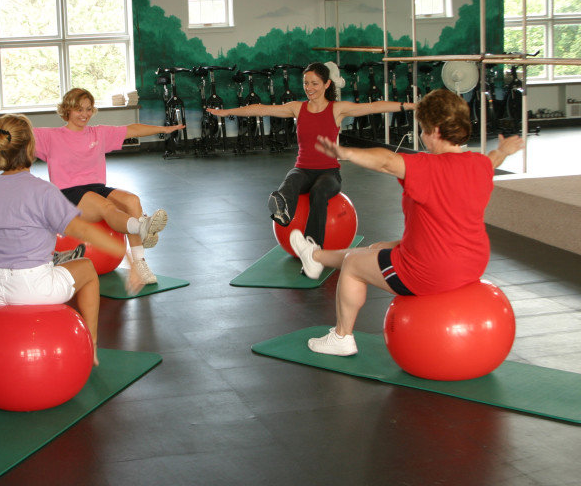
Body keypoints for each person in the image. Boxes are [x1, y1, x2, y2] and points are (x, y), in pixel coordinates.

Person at [290, 89, 525, 356]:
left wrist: (344, 151)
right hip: (472, 261)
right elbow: (493, 160)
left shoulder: (429, 167)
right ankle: (315, 257)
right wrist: (504, 149)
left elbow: (387, 162)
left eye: (423, 130)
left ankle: (342, 337)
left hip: (431, 270)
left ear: (435, 131)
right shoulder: (478, 164)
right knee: (377, 248)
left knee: (353, 265)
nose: (422, 137)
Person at [0, 114, 144, 366]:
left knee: (49, 259)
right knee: (87, 269)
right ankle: (92, 346)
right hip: (32, 287)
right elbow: (86, 232)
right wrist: (132, 263)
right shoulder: (44, 191)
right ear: (31, 148)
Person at [0, 88, 185, 284]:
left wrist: (163, 130)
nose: (85, 114)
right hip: (68, 193)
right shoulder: (50, 137)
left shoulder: (98, 133)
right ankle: (141, 227)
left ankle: (140, 263)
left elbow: (132, 129)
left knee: (132, 200)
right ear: (67, 110)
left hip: (96, 187)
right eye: (79, 109)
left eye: (88, 109)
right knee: (107, 208)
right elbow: (10, 132)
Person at [208, 62, 416, 248]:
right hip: (303, 169)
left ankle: (311, 249)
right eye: (306, 83)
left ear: (326, 84)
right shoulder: (298, 108)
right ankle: (282, 210)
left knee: (319, 192)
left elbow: (372, 107)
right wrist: (227, 112)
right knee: (291, 181)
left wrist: (407, 105)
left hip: (329, 173)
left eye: (314, 83)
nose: (309, 88)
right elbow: (261, 109)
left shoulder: (337, 109)